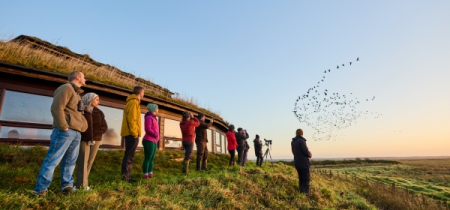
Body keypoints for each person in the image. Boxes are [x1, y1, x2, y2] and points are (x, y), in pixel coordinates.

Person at [32, 71, 88, 196]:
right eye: (84, 77)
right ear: (77, 77)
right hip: (65, 131)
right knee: (53, 159)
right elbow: (56, 108)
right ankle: (41, 190)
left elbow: (76, 113)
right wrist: (63, 127)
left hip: (76, 133)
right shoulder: (66, 88)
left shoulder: (77, 94)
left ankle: (66, 187)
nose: (86, 79)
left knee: (70, 161)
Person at [76, 93, 108, 191]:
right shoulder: (80, 110)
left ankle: (84, 183)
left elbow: (104, 125)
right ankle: (80, 186)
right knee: (82, 162)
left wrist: (99, 133)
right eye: (96, 99)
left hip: (96, 140)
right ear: (89, 99)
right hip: (84, 139)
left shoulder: (99, 112)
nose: (99, 102)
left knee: (90, 161)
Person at [120, 86, 145, 183]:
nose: (144, 94)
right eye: (143, 92)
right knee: (129, 156)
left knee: (129, 155)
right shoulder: (134, 102)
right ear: (140, 92)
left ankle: (127, 177)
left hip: (131, 133)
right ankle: (126, 178)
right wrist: (135, 133)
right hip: (132, 134)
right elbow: (132, 119)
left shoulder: (134, 102)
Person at [291, 128, 312, 195]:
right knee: (306, 179)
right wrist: (310, 154)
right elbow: (305, 152)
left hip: (297, 162)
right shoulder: (301, 141)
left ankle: (301, 193)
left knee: (301, 179)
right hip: (303, 162)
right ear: (302, 134)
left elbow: (294, 152)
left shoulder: (293, 142)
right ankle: (306, 195)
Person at [142, 103, 159, 179]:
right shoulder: (149, 117)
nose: (158, 109)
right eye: (157, 108)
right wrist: (155, 134)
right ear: (154, 109)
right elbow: (147, 129)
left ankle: (150, 172)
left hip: (154, 141)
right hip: (149, 140)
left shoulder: (154, 118)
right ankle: (145, 174)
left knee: (152, 158)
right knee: (148, 158)